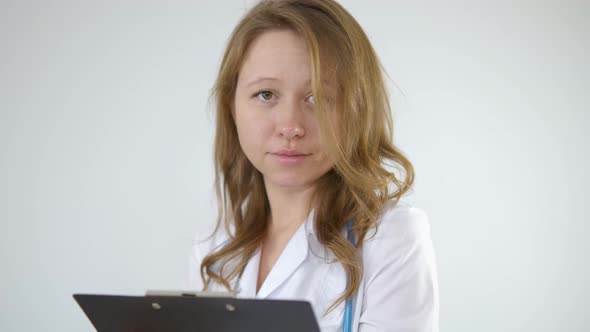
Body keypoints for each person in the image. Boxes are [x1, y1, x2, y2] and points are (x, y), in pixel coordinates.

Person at [188, 0, 439, 331]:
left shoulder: (391, 238)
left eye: (318, 98)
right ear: (231, 107)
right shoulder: (216, 248)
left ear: (356, 111)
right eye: (266, 95)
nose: (291, 126)